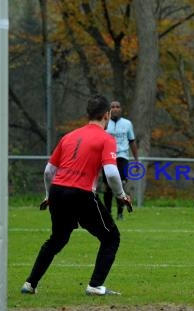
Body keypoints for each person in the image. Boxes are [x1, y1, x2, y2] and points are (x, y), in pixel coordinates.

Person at [20, 94, 132, 296]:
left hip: (57, 191)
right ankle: (95, 285)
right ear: (106, 115)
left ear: (88, 114)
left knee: (58, 239)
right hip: (80, 193)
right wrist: (122, 195)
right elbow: (113, 173)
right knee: (111, 238)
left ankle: (30, 284)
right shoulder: (106, 138)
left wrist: (48, 195)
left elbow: (48, 172)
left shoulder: (68, 136)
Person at [102, 100, 138, 220]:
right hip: (107, 156)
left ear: (121, 109)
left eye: (118, 106)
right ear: (109, 109)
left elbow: (132, 141)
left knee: (120, 184)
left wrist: (136, 160)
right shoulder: (104, 123)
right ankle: (107, 212)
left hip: (122, 156)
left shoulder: (127, 124)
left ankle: (120, 212)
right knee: (107, 186)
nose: (115, 109)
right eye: (113, 107)